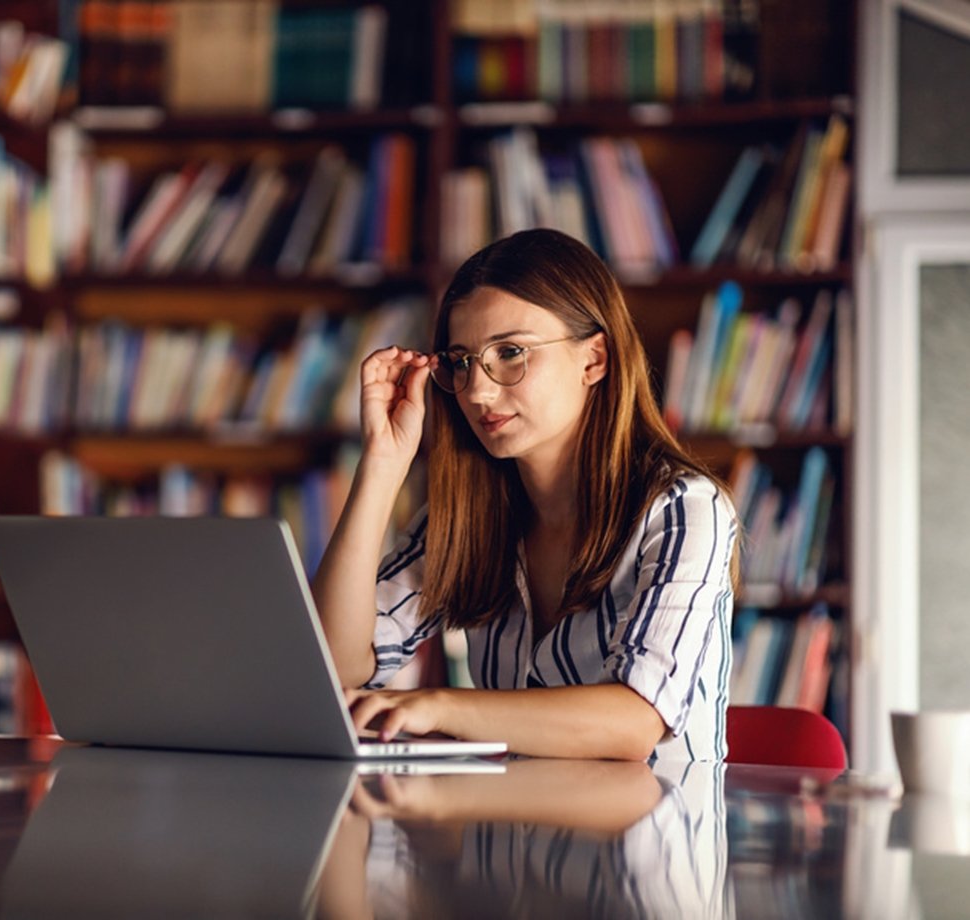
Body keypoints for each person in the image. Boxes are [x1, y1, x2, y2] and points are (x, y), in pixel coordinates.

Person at [312, 228, 738, 762]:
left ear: (594, 360)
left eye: (510, 352)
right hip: (508, 835)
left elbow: (634, 721)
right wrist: (381, 463)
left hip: (646, 838)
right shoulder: (467, 517)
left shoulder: (684, 511)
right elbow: (334, 664)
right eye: (462, 361)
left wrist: (441, 707)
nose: (478, 391)